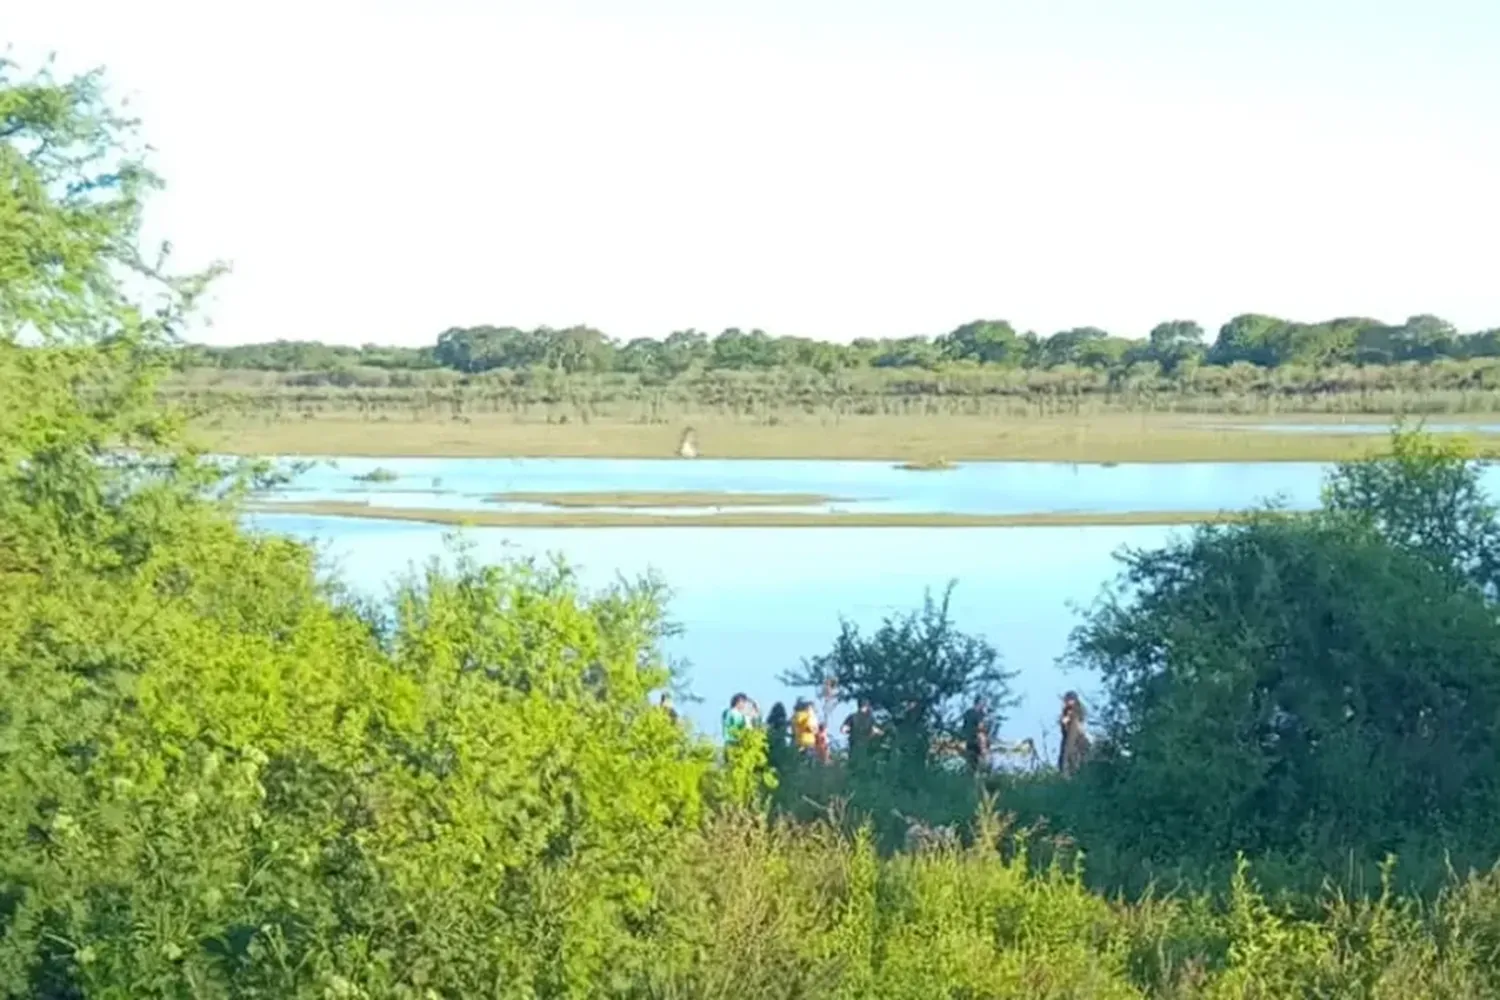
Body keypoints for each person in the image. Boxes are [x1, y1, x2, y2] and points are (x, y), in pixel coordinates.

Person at [1059, 690, 1091, 777]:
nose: (1066, 702)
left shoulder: (1077, 710)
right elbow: (1063, 724)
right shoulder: (1067, 710)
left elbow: (1078, 721)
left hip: (1076, 738)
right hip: (1070, 737)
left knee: (1073, 758)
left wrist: (1068, 718)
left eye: (1068, 700)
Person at [961, 696, 990, 773]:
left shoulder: (968, 713)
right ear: (979, 703)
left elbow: (964, 727)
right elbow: (981, 728)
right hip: (978, 742)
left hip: (969, 741)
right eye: (983, 703)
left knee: (970, 765)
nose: (984, 705)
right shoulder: (980, 715)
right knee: (981, 766)